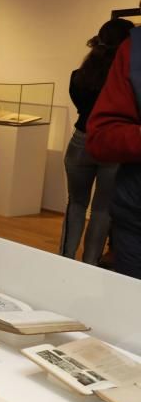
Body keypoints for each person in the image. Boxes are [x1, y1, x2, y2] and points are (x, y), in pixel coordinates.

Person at [61, 19, 134, 265]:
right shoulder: (124, 81)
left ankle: (65, 258)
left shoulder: (79, 76)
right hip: (112, 147)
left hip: (81, 140)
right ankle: (90, 263)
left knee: (76, 203)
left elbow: (83, 109)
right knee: (102, 209)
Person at [87, 18, 141, 280]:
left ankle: (85, 261)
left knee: (84, 206)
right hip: (136, 219)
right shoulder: (134, 51)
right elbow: (101, 134)